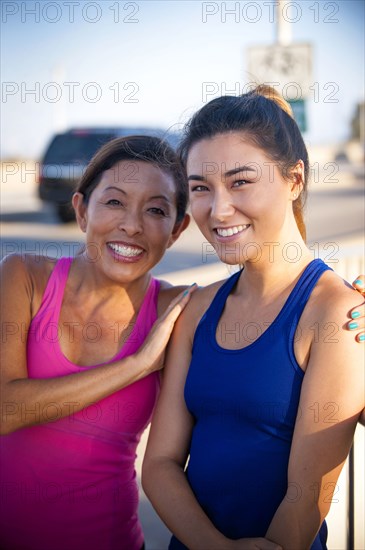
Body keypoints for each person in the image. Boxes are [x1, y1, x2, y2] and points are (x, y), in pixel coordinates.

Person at [142, 86, 365, 550]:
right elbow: (160, 464)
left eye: (241, 181)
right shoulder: (198, 308)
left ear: (295, 179)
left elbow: (305, 500)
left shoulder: (336, 314)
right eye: (201, 187)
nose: (218, 210)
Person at [0, 135, 199, 550]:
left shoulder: (176, 309)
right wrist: (135, 365)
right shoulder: (24, 277)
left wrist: (349, 301)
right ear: (81, 210)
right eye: (114, 202)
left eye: (156, 210)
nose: (132, 225)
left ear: (178, 229)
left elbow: (276, 296)